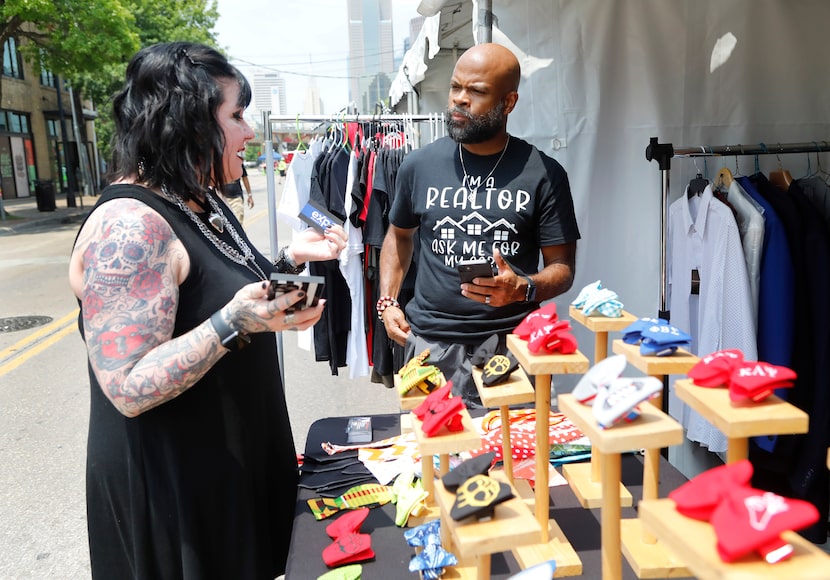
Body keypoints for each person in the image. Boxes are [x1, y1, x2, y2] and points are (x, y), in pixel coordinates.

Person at [67, 42, 347, 579]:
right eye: (236, 116)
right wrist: (233, 323)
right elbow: (126, 385)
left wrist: (289, 259)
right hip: (176, 496)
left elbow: (211, 286)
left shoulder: (200, 197)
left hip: (227, 473)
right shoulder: (130, 226)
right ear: (189, 123)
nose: (249, 133)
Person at [378, 43, 580, 407]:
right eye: (456, 87)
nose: (460, 100)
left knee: (512, 459)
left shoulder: (544, 174)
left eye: (477, 91)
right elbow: (400, 235)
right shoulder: (418, 165)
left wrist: (523, 288)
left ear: (509, 102)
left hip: (511, 349)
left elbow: (563, 269)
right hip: (429, 345)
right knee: (435, 461)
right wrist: (388, 301)